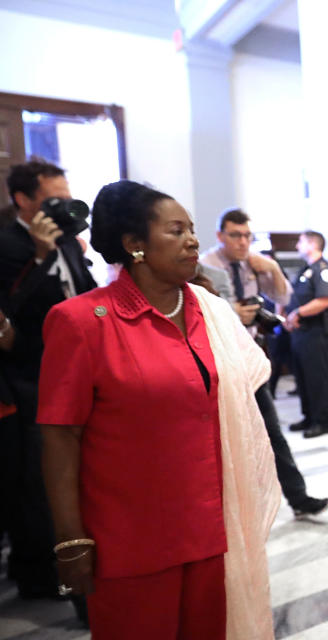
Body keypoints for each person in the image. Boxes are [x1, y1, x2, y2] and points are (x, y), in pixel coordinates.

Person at [37, 180, 280, 638]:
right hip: (130, 541)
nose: (193, 240)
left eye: (192, 229)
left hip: (211, 530)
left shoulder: (209, 314)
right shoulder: (81, 322)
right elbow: (59, 436)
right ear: (134, 245)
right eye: (176, 230)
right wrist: (70, 541)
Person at [0, 160, 97, 602]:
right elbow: (12, 315)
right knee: (37, 478)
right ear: (22, 200)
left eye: (65, 195)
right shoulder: (5, 244)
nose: (61, 206)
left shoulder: (70, 241)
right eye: (50, 199)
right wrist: (40, 257)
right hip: (30, 374)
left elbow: (85, 290)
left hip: (80, 367)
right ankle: (37, 573)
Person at [201, 208, 328, 517]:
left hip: (249, 357)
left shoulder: (256, 265)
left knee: (272, 430)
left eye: (247, 235)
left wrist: (270, 267)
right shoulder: (203, 266)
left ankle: (298, 497)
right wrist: (231, 311)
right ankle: (224, 511)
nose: (242, 242)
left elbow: (285, 298)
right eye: (235, 235)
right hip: (214, 360)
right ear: (221, 236)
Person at [284, 231, 328, 438]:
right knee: (303, 377)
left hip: (316, 333)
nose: (297, 245)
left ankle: (322, 421)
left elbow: (324, 300)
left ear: (312, 244)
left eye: (300, 241)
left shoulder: (323, 270)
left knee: (317, 378)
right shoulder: (304, 270)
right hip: (300, 333)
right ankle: (308, 416)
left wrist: (297, 313)